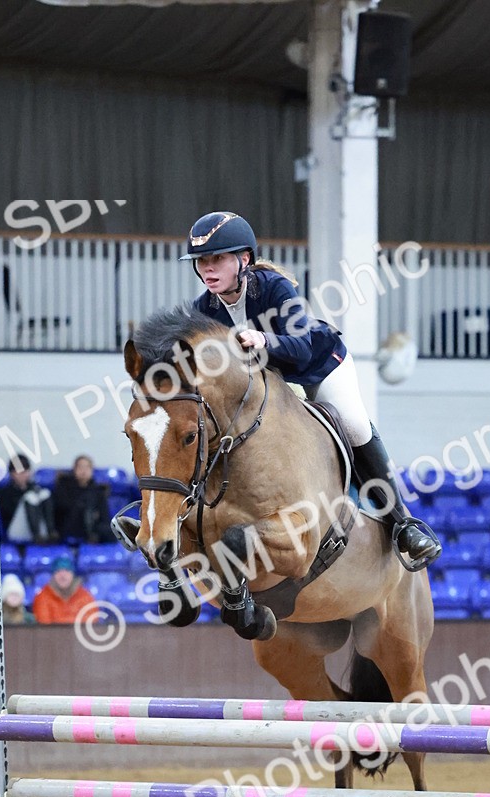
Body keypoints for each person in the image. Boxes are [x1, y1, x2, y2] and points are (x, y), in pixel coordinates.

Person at [180, 211, 441, 570]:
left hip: (317, 368)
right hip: (271, 388)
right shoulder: (203, 310)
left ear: (243, 260)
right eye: (201, 261)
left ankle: (402, 524)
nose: (208, 268)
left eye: (217, 259)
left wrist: (264, 339)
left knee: (352, 423)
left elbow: (301, 346)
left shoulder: (273, 287)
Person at [0, 455, 56, 544]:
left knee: (44, 494)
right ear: (12, 473)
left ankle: (50, 531)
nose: (23, 475)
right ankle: (36, 535)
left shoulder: (35, 488)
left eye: (25, 471)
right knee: (30, 497)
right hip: (16, 530)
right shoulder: (4, 492)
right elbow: (7, 513)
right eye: (19, 472)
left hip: (40, 530)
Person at [52, 455, 113, 543]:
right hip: (69, 528)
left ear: (92, 470)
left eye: (87, 467)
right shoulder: (64, 488)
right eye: (80, 467)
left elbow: (105, 516)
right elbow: (60, 511)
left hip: (92, 530)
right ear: (74, 469)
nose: (83, 471)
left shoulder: (98, 491)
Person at [31, 553, 98, 625]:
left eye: (67, 571)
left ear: (73, 575)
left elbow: (91, 621)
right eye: (58, 571)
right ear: (53, 576)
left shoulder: (85, 596)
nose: (63, 575)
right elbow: (44, 625)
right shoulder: (42, 597)